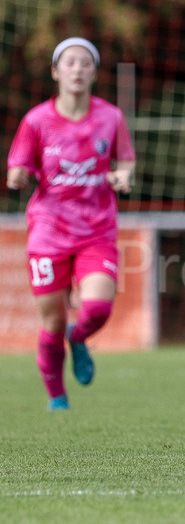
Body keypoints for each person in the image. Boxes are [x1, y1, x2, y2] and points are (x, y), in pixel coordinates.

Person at [6, 37, 136, 411]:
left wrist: (123, 176)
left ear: (94, 72)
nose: (77, 69)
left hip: (97, 229)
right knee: (51, 322)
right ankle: (57, 399)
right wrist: (17, 176)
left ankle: (77, 337)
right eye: (70, 62)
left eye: (85, 63)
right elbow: (17, 165)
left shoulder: (110, 117)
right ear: (55, 71)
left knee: (97, 308)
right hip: (48, 232)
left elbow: (126, 159)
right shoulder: (36, 120)